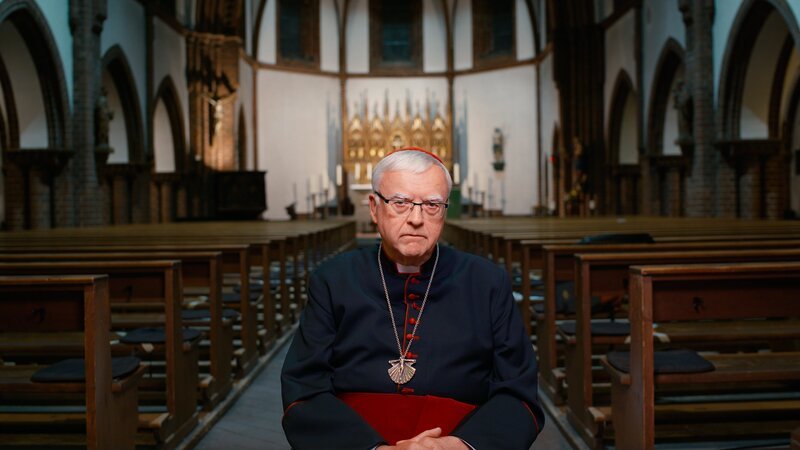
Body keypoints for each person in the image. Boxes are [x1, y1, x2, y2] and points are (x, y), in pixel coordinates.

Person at [281, 147, 544, 449]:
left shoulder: (487, 283)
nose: (416, 218)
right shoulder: (333, 280)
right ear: (374, 207)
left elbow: (519, 394)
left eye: (432, 204)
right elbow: (303, 390)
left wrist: (455, 446)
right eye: (400, 202)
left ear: (445, 210)